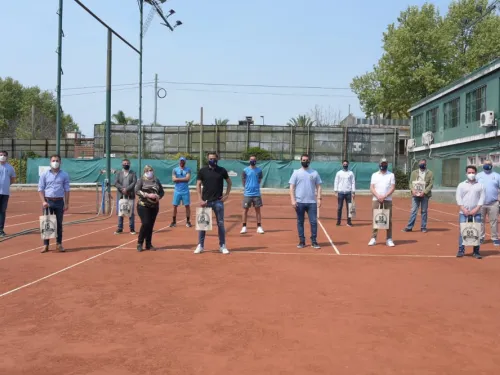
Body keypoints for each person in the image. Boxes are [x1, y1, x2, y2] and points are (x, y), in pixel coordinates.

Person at [194, 152, 232, 254]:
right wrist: (199, 198)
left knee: (220, 224)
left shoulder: (222, 170)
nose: (212, 160)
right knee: (202, 225)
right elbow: (198, 185)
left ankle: (222, 245)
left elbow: (229, 182)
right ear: (208, 159)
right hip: (205, 201)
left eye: (214, 158)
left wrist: (226, 195)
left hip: (218, 202)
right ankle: (200, 246)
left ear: (217, 159)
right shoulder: (203, 171)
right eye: (210, 158)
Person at [37, 154, 70, 253]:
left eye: (57, 160)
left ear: (60, 162)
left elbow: (67, 190)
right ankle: (45, 245)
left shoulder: (64, 175)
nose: (55, 162)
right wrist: (43, 201)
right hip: (48, 201)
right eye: (53, 160)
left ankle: (59, 244)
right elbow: (40, 189)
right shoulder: (44, 174)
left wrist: (67, 203)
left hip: (59, 201)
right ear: (50, 162)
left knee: (59, 224)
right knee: (46, 223)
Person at [289, 153, 322, 249]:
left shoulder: (314, 173)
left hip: (312, 202)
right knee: (300, 222)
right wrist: (293, 200)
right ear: (300, 161)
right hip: (299, 202)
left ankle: (314, 241)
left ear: (309, 161)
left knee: (313, 222)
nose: (305, 162)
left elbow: (319, 186)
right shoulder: (296, 172)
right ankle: (302, 241)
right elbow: (291, 187)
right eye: (303, 160)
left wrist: (319, 198)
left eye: (307, 160)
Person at [456, 165, 485, 259]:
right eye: (469, 172)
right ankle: (461, 250)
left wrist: (476, 209)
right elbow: (458, 197)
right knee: (462, 231)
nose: (471, 174)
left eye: (473, 172)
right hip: (463, 213)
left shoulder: (480, 185)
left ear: (476, 173)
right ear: (466, 173)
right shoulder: (461, 185)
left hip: (476, 212)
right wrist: (463, 209)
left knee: (476, 231)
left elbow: (482, 198)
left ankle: (476, 252)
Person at [135, 165, 164, 252]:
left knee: (150, 225)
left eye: (151, 170)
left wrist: (158, 196)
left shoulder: (156, 180)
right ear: (144, 171)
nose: (150, 172)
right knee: (146, 223)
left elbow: (162, 191)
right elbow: (136, 190)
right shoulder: (141, 180)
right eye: (147, 170)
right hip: (143, 205)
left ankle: (148, 244)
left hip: (154, 206)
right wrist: (147, 195)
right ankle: (139, 243)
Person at [369, 157, 395, 247]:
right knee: (375, 218)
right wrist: (378, 196)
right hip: (376, 199)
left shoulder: (391, 175)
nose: (383, 165)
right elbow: (372, 187)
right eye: (382, 163)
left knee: (388, 219)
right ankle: (373, 238)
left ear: (387, 165)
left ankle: (389, 238)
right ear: (379, 164)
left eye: (385, 164)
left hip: (387, 200)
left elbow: (392, 187)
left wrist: (385, 196)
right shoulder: (374, 175)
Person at [402, 159, 434, 233]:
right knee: (413, 210)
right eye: (420, 163)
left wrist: (425, 192)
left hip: (425, 195)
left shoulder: (430, 173)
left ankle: (423, 227)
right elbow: (410, 183)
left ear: (425, 164)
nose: (422, 165)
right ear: (418, 164)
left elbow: (431, 184)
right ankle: (409, 227)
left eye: (423, 163)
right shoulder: (414, 173)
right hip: (415, 195)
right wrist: (412, 190)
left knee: (424, 211)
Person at [475, 160, 500, 246]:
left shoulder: (497, 176)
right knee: (480, 221)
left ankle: (495, 238)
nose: (487, 165)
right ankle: (481, 237)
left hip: (493, 203)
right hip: (480, 203)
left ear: (492, 165)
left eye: (489, 164)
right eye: (486, 164)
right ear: (483, 165)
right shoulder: (478, 176)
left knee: (494, 221)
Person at [240, 155, 264, 234]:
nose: (252, 161)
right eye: (251, 159)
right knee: (245, 210)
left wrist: (255, 186)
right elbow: (243, 180)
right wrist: (246, 187)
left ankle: (259, 227)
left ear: (256, 161)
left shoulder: (259, 170)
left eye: (254, 159)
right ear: (249, 160)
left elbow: (259, 180)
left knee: (258, 210)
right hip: (247, 194)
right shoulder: (245, 170)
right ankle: (244, 227)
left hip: (256, 193)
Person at [114, 158, 137, 235]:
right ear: (122, 164)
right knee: (121, 212)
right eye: (124, 163)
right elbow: (116, 183)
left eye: (127, 163)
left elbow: (134, 182)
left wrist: (127, 189)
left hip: (130, 195)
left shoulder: (133, 173)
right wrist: (122, 189)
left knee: (130, 212)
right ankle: (120, 228)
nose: (126, 165)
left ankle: (132, 228)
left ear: (129, 164)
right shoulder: (119, 173)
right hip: (121, 195)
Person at [170, 156, 192, 228]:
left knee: (187, 206)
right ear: (179, 162)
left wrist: (178, 179)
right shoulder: (175, 170)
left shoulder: (188, 169)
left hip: (185, 191)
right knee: (174, 206)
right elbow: (173, 179)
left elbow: (187, 179)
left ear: (185, 162)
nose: (182, 162)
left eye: (183, 161)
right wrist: (183, 178)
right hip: (177, 191)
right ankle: (174, 222)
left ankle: (188, 222)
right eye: (181, 161)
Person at [334, 159, 355, 227]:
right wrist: (336, 191)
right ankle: (338, 221)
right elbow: (336, 182)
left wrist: (353, 192)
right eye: (344, 164)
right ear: (342, 164)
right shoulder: (339, 173)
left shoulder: (351, 173)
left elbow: (353, 182)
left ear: (348, 165)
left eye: (346, 164)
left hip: (348, 193)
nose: (345, 165)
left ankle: (349, 222)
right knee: (339, 207)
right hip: (340, 193)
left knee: (349, 208)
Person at [0, 151, 16, 237]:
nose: (2, 157)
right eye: (1, 155)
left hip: (5, 193)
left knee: (2, 211)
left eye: (4, 155)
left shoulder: (10, 168)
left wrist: (6, 184)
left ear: (7, 157)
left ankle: (1, 230)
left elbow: (13, 179)